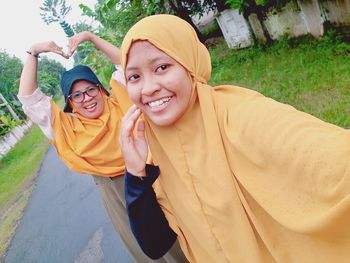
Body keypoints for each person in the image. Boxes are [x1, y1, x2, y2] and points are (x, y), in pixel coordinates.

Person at [119, 14, 350, 263]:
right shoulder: (154, 153)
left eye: (162, 67)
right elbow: (155, 245)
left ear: (190, 64)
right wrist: (136, 174)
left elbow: (331, 158)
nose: (148, 87)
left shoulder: (239, 116)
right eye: (135, 76)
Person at [17, 32, 187, 263]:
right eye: (76, 95)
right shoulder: (65, 127)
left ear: (101, 89)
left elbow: (125, 64)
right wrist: (33, 51)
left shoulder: (122, 100)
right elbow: (29, 99)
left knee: (185, 231)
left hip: (157, 175)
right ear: (69, 102)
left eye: (90, 90)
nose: (86, 98)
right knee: (153, 249)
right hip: (118, 192)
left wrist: (91, 38)